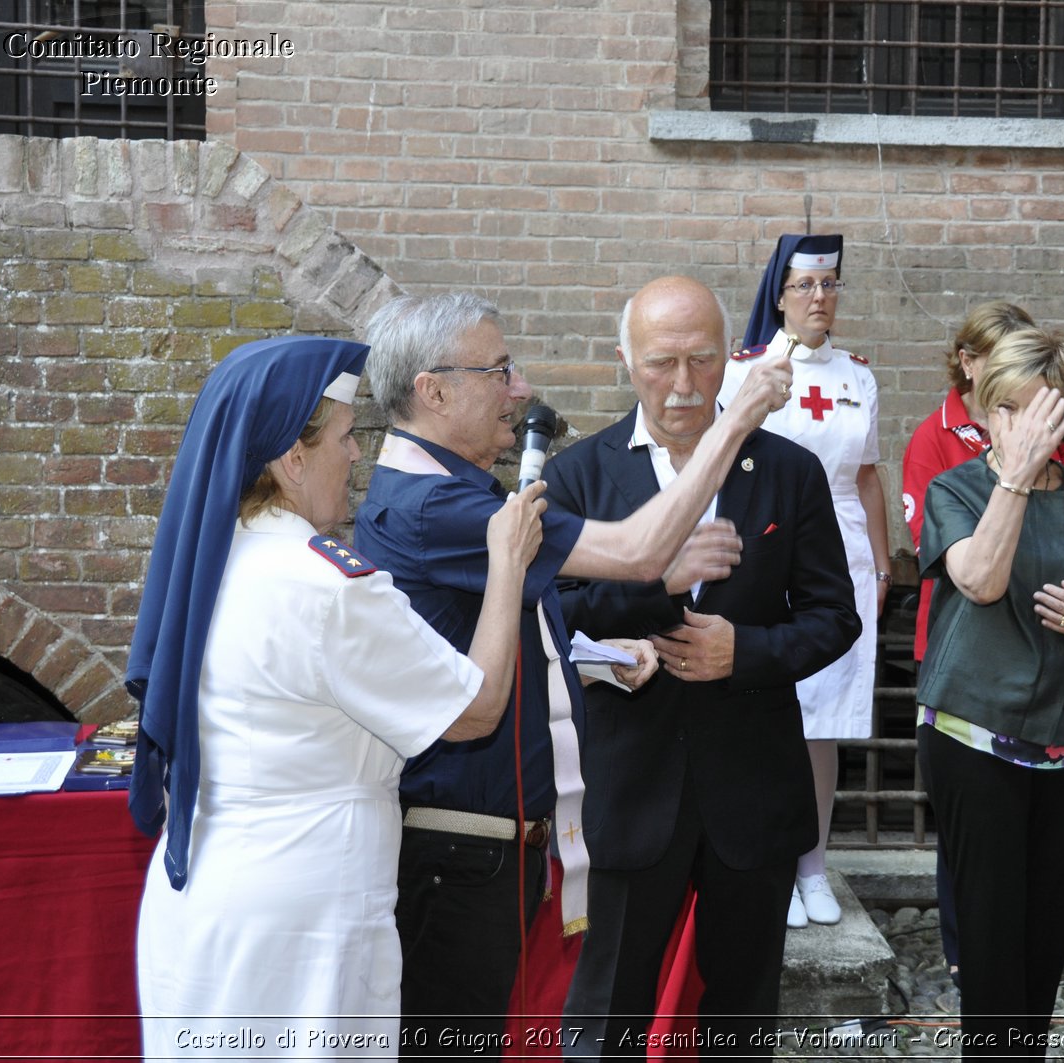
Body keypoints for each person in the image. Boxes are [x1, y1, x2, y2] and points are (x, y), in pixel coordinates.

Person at [351, 292, 795, 1055]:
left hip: (483, 840)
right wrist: (737, 419)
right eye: (498, 371)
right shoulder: (438, 507)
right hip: (462, 847)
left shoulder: (449, 494)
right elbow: (637, 552)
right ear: (434, 390)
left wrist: (586, 666)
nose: (519, 389)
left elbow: (488, 635)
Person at [127, 336, 547, 1059]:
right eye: (348, 437)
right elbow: (474, 708)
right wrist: (505, 564)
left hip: (207, 894)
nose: (357, 456)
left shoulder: (216, 559)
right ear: (294, 456)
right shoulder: (325, 584)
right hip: (303, 915)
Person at [548, 275, 861, 1058]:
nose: (684, 386)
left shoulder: (787, 470)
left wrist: (743, 652)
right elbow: (555, 614)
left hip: (750, 788)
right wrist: (650, 583)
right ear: (625, 359)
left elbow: (836, 617)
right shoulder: (579, 476)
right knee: (605, 1019)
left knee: (742, 1023)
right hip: (626, 789)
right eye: (661, 363)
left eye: (703, 360)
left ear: (732, 356)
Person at [915, 329, 1064, 1057]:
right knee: (990, 928)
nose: (1017, 426)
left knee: (1048, 928)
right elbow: (979, 578)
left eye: (1038, 412)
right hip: (976, 733)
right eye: (1004, 409)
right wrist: (1013, 476)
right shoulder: (958, 488)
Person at [720, 232, 887, 928]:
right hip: (767, 547)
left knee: (825, 720)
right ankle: (770, 864)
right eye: (806, 286)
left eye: (831, 285)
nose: (821, 299)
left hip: (840, 552)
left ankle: (813, 865)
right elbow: (723, 459)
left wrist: (882, 563)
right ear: (779, 294)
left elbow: (869, 475)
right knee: (771, 713)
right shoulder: (748, 371)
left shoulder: (858, 374)